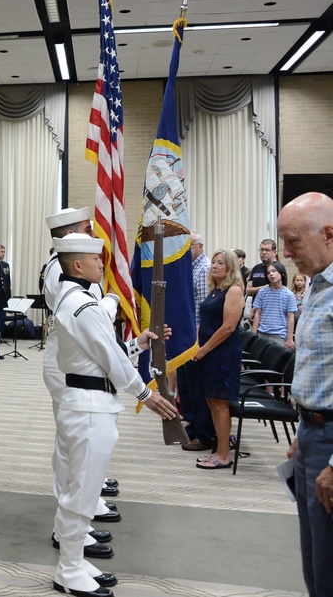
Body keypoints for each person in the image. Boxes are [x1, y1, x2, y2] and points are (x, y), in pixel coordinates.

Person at [50, 233, 177, 597]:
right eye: (95, 261)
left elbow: (103, 351)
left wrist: (138, 343)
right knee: (82, 491)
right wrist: (144, 394)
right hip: (89, 405)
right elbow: (110, 358)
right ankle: (69, 568)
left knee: (84, 488)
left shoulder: (76, 299)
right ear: (78, 265)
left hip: (91, 401)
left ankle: (74, 561)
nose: (101, 266)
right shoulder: (83, 304)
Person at [43, 209, 120, 566]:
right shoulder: (61, 269)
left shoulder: (67, 264)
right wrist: (113, 300)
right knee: (72, 447)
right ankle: (68, 526)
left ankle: (80, 514)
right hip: (70, 365)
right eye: (88, 230)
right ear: (72, 234)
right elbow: (89, 318)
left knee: (77, 447)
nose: (94, 233)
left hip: (80, 361)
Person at [279, 192, 333, 597]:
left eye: (293, 240)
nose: (286, 252)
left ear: (328, 233)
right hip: (313, 432)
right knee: (314, 555)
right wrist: (305, 427)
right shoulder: (318, 284)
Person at [192, 249, 244, 470]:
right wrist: (197, 344)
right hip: (208, 351)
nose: (214, 266)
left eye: (220, 263)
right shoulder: (215, 290)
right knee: (212, 401)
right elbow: (203, 320)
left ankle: (224, 454)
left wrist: (204, 349)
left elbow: (228, 327)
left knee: (221, 404)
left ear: (230, 267)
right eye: (213, 262)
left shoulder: (234, 290)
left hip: (222, 354)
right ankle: (218, 449)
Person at [180, 233, 215, 454]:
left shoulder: (204, 269)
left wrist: (198, 343)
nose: (184, 251)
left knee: (196, 388)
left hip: (196, 337)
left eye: (188, 246)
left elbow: (203, 310)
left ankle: (204, 434)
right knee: (186, 386)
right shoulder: (190, 267)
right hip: (186, 336)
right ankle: (192, 424)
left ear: (200, 246)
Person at [250, 261, 297, 351]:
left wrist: (290, 338)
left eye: (274, 271)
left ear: (281, 273)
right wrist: (254, 334)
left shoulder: (289, 294)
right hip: (262, 334)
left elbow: (291, 317)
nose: (271, 274)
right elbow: (258, 314)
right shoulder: (262, 292)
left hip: (279, 335)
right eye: (268, 273)